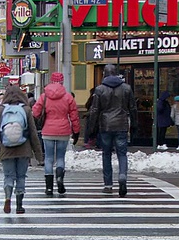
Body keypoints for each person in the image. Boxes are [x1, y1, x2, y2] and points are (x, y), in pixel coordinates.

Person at [0, 85, 43, 213]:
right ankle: (19, 205)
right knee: (21, 176)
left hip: (6, 149)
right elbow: (33, 132)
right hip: (23, 149)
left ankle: (8, 198)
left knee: (8, 176)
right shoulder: (26, 109)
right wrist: (38, 155)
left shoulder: (1, 110)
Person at [88, 64, 137, 197]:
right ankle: (122, 176)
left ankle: (108, 184)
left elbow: (94, 110)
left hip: (106, 125)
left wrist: (91, 128)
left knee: (106, 154)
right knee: (122, 154)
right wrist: (134, 125)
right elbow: (132, 107)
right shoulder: (126, 88)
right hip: (121, 124)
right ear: (116, 73)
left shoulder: (99, 89)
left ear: (105, 74)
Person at [32, 72, 80, 195]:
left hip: (48, 130)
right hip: (63, 131)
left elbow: (35, 112)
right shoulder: (68, 97)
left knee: (48, 158)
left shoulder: (44, 96)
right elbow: (74, 116)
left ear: (51, 81)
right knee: (60, 157)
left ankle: (48, 187)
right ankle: (59, 178)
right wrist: (76, 131)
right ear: (62, 82)